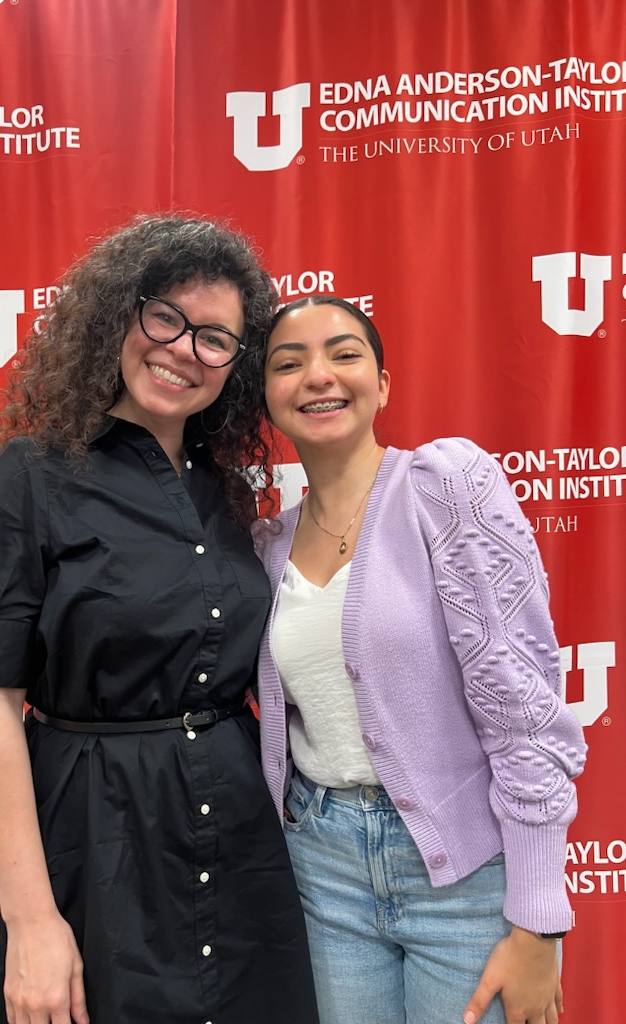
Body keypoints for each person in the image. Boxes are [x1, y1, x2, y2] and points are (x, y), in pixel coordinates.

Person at [0, 216, 319, 1024]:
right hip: (93, 841)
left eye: (215, 339)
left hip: (241, 841)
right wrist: (33, 919)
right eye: (166, 319)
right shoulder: (25, 482)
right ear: (120, 315)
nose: (185, 350)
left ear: (235, 366)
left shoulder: (225, 493)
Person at [254, 295, 586, 1024]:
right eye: (288, 362)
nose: (318, 375)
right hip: (322, 868)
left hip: (464, 878)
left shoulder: (446, 486)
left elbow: (522, 706)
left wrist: (537, 920)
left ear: (383, 383)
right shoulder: (265, 545)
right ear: (266, 396)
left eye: (344, 354)